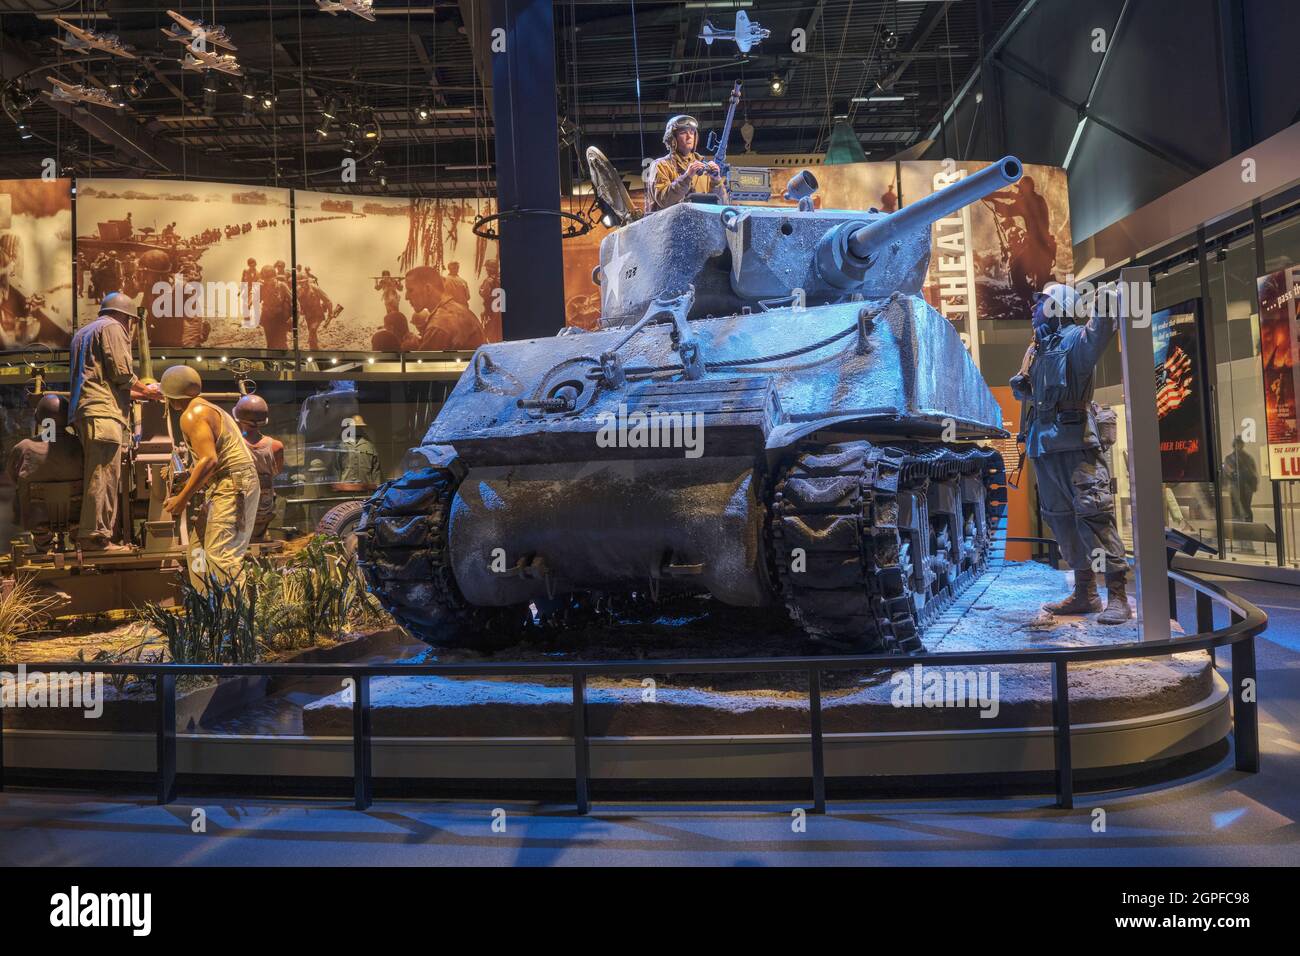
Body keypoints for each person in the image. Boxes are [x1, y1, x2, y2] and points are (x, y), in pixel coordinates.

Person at [1009, 282, 1130, 624]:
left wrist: (1107, 301)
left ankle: (1118, 596)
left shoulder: (1077, 340)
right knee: (1060, 519)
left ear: (1058, 307)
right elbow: (1031, 394)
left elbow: (1100, 331)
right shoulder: (1036, 350)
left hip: (1076, 443)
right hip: (1044, 445)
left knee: (1094, 515)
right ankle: (1085, 593)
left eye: (1041, 303)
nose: (1034, 309)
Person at [68, 292, 162, 553]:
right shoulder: (113, 327)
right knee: (104, 475)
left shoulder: (83, 334)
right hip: (103, 413)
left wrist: (141, 393)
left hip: (88, 410)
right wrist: (149, 390)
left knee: (96, 473)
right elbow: (121, 373)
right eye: (130, 322)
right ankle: (95, 538)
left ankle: (93, 532)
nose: (130, 328)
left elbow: (104, 380)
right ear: (125, 316)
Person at [160, 366, 261, 588]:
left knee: (221, 555)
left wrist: (182, 498)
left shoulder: (192, 415)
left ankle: (237, 619)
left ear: (171, 397)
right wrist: (187, 475)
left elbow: (209, 460)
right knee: (197, 551)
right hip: (225, 483)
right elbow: (210, 460)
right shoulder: (207, 409)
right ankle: (207, 608)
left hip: (234, 483)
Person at [6, 393, 84, 550]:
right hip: (77, 516)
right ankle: (78, 542)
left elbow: (11, 478)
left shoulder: (24, 447)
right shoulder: (81, 445)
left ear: (39, 418)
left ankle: (43, 542)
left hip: (37, 518)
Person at [644, 113, 727, 215]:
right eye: (683, 133)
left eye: (692, 132)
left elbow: (722, 205)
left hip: (700, 225)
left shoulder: (704, 168)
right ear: (672, 139)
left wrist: (716, 182)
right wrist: (687, 177)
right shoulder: (661, 166)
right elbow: (664, 200)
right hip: (669, 227)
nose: (689, 137)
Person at [233, 394, 284, 542]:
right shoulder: (276, 446)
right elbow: (276, 471)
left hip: (238, 506)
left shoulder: (232, 445)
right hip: (264, 507)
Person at [405, 266, 483, 351]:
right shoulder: (462, 310)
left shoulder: (438, 325)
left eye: (410, 290)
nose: (406, 297)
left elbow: (426, 363)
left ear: (428, 289)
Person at [337, 413, 383, 490]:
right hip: (345, 490)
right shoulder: (342, 446)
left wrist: (377, 489)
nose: (356, 429)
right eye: (353, 427)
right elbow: (336, 469)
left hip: (366, 490)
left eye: (359, 427)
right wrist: (337, 488)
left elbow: (376, 471)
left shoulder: (370, 446)